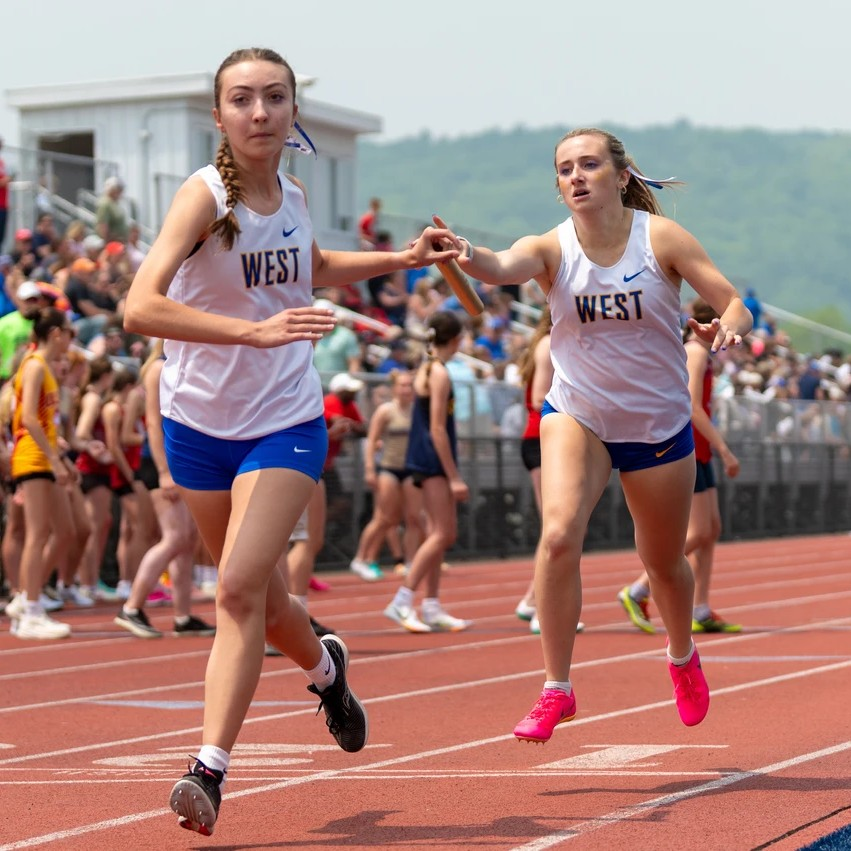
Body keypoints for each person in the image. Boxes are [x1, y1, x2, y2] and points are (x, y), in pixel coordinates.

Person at [122, 46, 458, 836]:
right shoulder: (202, 199)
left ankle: (207, 769)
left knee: (236, 588)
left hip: (284, 420)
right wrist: (252, 330)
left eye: (275, 97)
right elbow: (139, 307)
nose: (261, 112)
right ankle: (326, 669)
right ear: (219, 117)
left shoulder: (294, 195)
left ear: (292, 110)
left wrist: (398, 259)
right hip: (199, 423)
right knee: (269, 606)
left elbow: (312, 265)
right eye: (242, 99)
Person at [436, 127, 752, 742]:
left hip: (657, 422)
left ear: (621, 175)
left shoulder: (659, 238)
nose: (576, 176)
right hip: (578, 413)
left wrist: (730, 327)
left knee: (662, 561)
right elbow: (499, 266)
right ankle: (557, 687)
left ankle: (682, 655)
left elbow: (732, 301)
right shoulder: (551, 249)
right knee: (557, 536)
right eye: (564, 169)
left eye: (588, 165)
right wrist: (461, 250)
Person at [619, 298, 742, 635]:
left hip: (701, 449)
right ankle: (638, 588)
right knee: (699, 531)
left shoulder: (704, 354)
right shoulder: (696, 352)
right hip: (690, 446)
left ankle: (700, 609)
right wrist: (724, 449)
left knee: (711, 528)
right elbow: (690, 405)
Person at [114, 340, 214, 638]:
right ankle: (131, 606)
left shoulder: (176, 365)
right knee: (174, 538)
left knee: (186, 540)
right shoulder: (158, 368)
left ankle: (183, 616)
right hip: (161, 465)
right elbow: (154, 425)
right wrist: (163, 471)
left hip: (179, 462)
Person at [383, 311, 472, 632]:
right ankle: (402, 599)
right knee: (442, 534)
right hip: (432, 459)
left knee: (438, 531)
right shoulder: (439, 373)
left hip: (423, 456)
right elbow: (437, 428)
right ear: (456, 339)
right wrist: (455, 476)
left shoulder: (427, 367)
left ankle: (431, 605)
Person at [4, 307, 76, 639]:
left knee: (64, 531)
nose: (71, 341)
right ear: (55, 334)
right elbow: (29, 419)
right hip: (32, 459)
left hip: (45, 457)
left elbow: (44, 423)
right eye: (69, 333)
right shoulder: (33, 365)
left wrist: (61, 456)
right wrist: (54, 459)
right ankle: (31, 609)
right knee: (37, 534)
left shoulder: (43, 367)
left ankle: (25, 598)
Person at [513, 306, 585, 636]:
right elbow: (539, 396)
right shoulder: (548, 343)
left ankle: (531, 600)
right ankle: (544, 608)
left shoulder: (551, 341)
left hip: (547, 437)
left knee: (558, 528)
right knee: (555, 528)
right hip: (542, 438)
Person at [350, 369, 424, 581]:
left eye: (409, 385)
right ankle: (360, 558)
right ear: (394, 388)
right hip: (389, 468)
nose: (406, 389)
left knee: (413, 518)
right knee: (384, 518)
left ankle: (410, 562)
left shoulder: (417, 411)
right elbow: (372, 440)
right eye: (402, 385)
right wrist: (370, 469)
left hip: (411, 468)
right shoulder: (385, 411)